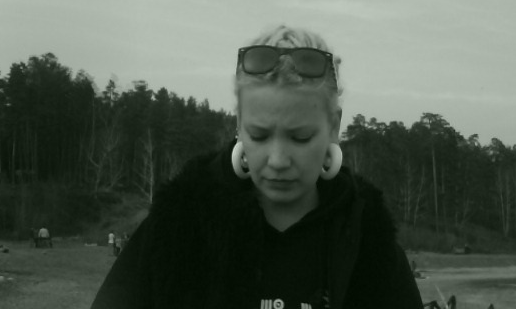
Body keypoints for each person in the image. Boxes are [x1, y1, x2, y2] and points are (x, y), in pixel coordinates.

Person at [92, 26, 421, 308]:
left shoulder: (369, 240)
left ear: (334, 125)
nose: (277, 160)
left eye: (300, 138)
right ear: (239, 124)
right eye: (259, 135)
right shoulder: (180, 222)